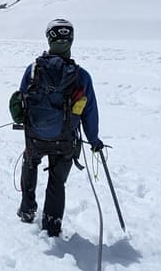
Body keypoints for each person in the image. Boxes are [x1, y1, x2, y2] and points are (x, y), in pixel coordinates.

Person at [11, 18, 104, 237]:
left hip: (35, 135)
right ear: (70, 39)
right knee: (56, 181)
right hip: (65, 140)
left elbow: (23, 98)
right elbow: (90, 112)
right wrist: (94, 140)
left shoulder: (33, 69)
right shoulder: (81, 76)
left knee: (30, 163)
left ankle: (27, 209)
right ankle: (52, 225)